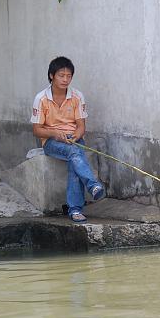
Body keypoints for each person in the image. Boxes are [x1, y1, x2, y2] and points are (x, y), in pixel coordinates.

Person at [31, 56, 105, 223]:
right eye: (61, 75)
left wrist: (75, 137)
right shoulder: (41, 98)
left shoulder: (77, 96)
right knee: (75, 153)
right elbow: (37, 130)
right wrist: (55, 134)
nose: (65, 79)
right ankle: (91, 186)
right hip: (51, 142)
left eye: (69, 76)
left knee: (74, 157)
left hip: (74, 140)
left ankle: (75, 210)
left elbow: (81, 126)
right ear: (51, 75)